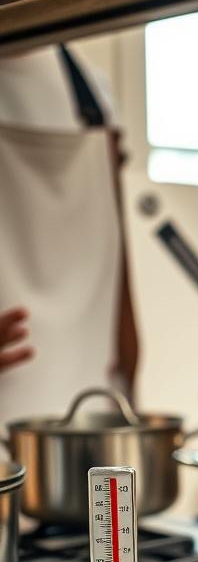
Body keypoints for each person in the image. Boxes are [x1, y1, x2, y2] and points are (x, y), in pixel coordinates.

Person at [0, 45, 136, 426]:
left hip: (92, 402)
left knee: (103, 487)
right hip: (8, 406)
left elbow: (120, 257)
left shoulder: (93, 90)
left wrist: (133, 382)